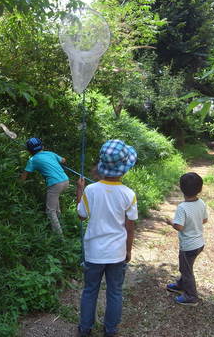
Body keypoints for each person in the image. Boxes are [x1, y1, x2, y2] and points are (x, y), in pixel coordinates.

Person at [76, 139, 138, 337]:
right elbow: (130, 228)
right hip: (117, 253)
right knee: (115, 292)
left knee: (90, 290)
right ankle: (110, 330)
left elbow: (81, 215)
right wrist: (128, 250)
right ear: (124, 169)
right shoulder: (129, 194)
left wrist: (79, 190)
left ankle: (85, 329)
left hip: (94, 252)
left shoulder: (90, 190)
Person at [166, 172, 208, 306]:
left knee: (186, 270)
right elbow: (204, 220)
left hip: (188, 246)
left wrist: (170, 222)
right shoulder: (201, 203)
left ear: (181, 188)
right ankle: (180, 285)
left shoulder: (182, 207)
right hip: (199, 244)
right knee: (187, 267)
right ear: (200, 189)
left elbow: (179, 226)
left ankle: (191, 296)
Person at [20, 137, 69, 235]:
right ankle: (62, 225)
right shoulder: (50, 153)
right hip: (65, 181)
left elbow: (24, 176)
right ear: (42, 146)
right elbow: (63, 160)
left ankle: (59, 237)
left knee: (50, 211)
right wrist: (59, 160)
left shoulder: (32, 160)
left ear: (29, 151)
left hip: (55, 184)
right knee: (55, 205)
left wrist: (19, 184)